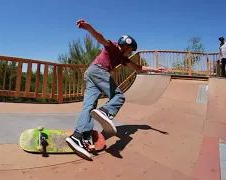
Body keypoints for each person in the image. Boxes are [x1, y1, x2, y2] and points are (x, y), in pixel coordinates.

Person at [65, 19, 166, 160]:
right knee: (119, 97)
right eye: (130, 50)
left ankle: (77, 137)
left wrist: (155, 69)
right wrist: (89, 28)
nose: (130, 53)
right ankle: (105, 111)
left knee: (89, 106)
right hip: (98, 71)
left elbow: (138, 68)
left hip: (90, 74)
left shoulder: (122, 58)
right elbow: (101, 39)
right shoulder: (114, 47)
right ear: (125, 45)